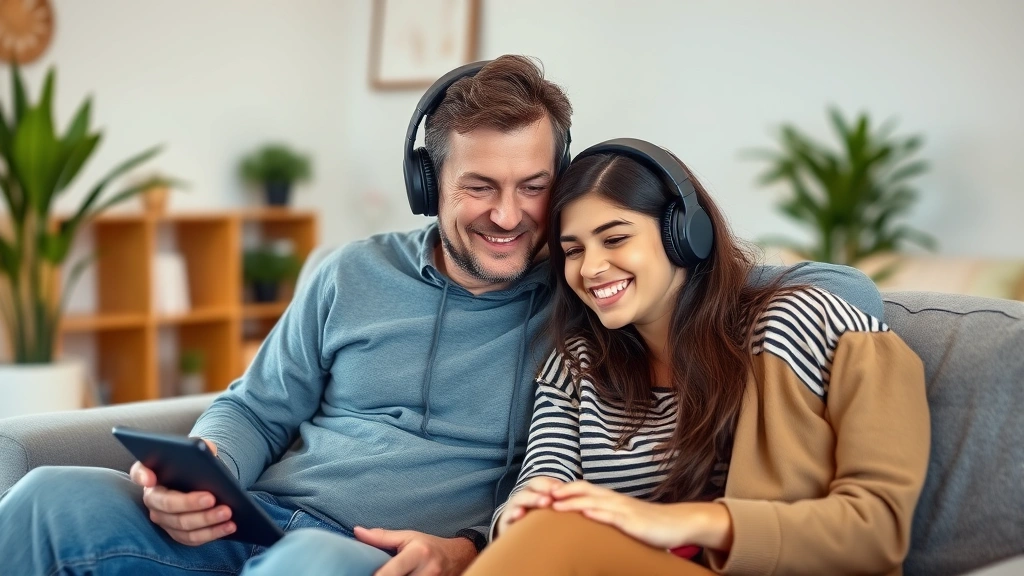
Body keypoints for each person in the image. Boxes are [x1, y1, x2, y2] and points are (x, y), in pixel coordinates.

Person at [0, 60, 885, 576]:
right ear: (429, 184)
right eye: (479, 187)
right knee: (46, 499)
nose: (509, 215)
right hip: (260, 519)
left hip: (376, 558)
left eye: (534, 187)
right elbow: (256, 404)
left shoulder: (589, 292)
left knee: (307, 568)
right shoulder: (350, 271)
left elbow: (840, 289)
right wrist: (208, 467)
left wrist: (465, 549)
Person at [464, 138, 931, 576]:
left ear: (684, 234)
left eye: (615, 239)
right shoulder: (577, 362)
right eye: (573, 250)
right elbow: (544, 475)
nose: (590, 268)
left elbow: (879, 527)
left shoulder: (809, 325)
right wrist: (523, 509)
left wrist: (688, 523)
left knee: (555, 536)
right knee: (546, 527)